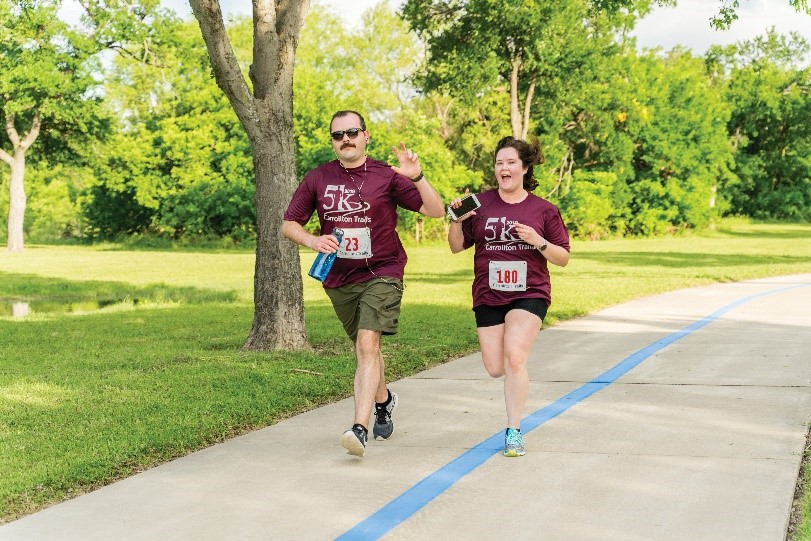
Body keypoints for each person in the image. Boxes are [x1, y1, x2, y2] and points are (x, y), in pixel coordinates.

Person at [282, 110, 445, 457]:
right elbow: (289, 223)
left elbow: (435, 210)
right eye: (338, 135)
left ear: (366, 136)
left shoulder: (387, 176)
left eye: (352, 132)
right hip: (339, 278)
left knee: (368, 344)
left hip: (382, 271)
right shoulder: (318, 178)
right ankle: (384, 400)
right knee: (364, 349)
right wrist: (312, 241)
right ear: (333, 142)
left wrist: (418, 177)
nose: (346, 139)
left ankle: (359, 427)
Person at [448, 136, 570, 457]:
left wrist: (537, 240)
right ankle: (514, 383)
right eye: (500, 162)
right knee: (495, 367)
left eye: (511, 162)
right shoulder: (478, 203)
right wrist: (456, 222)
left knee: (515, 356)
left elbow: (562, 257)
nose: (504, 168)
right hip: (488, 292)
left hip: (530, 292)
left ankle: (514, 431)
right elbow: (456, 245)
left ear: (524, 167)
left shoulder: (543, 209)